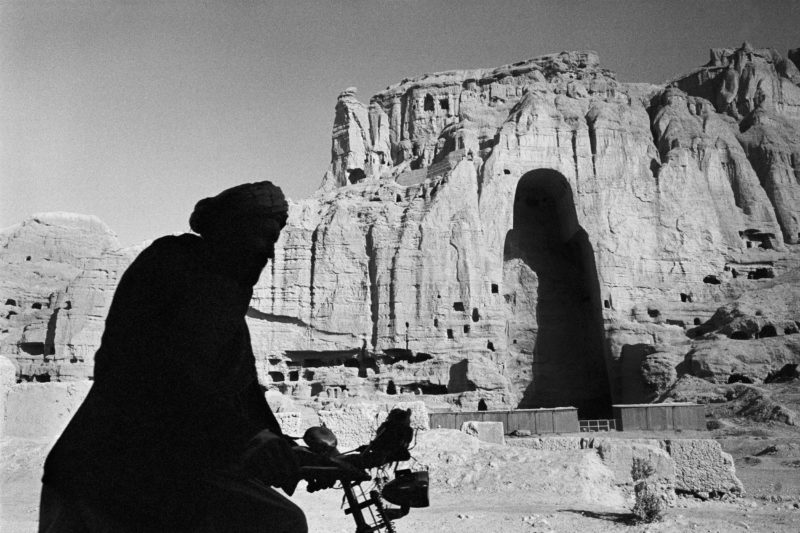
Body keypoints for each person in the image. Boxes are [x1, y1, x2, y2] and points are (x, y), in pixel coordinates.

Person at [39, 181, 307, 532]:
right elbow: (165, 376)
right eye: (263, 236)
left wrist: (285, 449)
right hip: (107, 469)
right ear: (230, 230)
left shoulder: (228, 307)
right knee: (280, 522)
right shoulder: (174, 265)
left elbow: (244, 395)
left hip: (166, 470)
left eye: (274, 241)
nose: (268, 253)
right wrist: (252, 440)